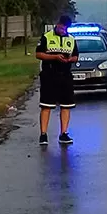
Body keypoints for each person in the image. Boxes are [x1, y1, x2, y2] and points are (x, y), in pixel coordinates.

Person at [36, 15, 79, 146]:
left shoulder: (71, 40)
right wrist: (54, 57)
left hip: (65, 75)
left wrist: (69, 59)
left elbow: (76, 56)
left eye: (65, 28)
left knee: (66, 106)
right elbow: (38, 54)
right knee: (46, 105)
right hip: (49, 75)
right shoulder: (47, 37)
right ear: (57, 24)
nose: (63, 30)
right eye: (61, 27)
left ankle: (64, 133)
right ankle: (43, 135)